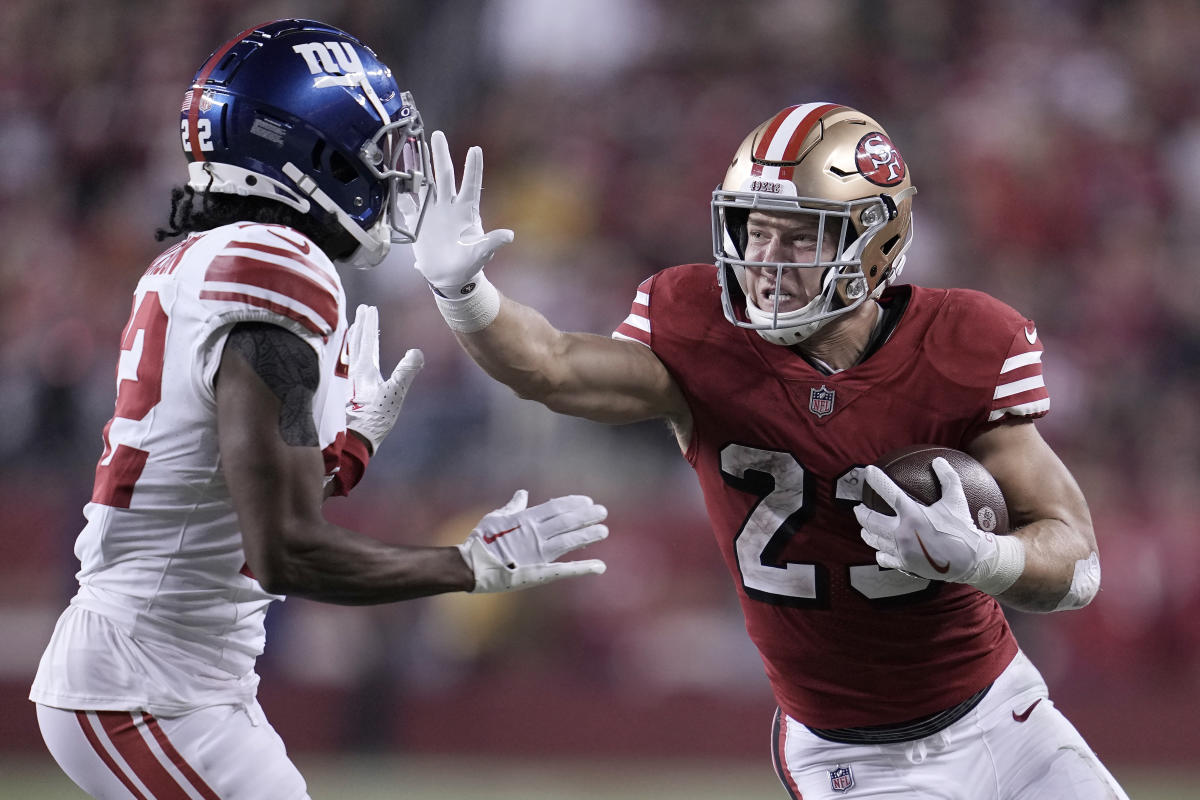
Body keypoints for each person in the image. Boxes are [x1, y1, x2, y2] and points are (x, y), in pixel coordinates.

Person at [409, 103, 1129, 798]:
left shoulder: (965, 343)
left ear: (874, 241)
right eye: (754, 232)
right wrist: (463, 291)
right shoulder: (699, 334)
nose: (765, 261)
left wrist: (981, 559)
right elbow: (552, 365)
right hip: (853, 758)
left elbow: (1078, 561)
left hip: (1005, 715)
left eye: (799, 237)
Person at [29, 19, 608, 800]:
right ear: (313, 154)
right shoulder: (274, 265)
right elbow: (286, 551)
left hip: (180, 678)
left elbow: (230, 502)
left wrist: (343, 456)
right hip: (145, 690)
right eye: (375, 151)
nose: (390, 175)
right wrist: (467, 568)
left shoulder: (210, 256)